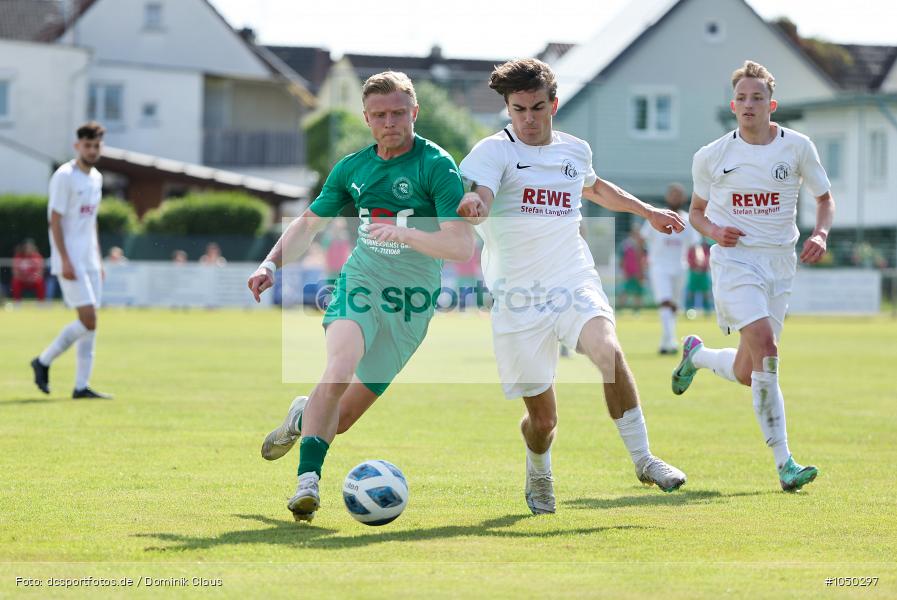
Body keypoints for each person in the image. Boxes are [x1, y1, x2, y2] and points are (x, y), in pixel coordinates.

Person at [454, 58, 687, 514]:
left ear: (553, 104)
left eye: (537, 107)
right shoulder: (491, 152)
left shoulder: (574, 150)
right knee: (543, 421)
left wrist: (648, 212)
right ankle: (539, 473)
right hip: (518, 296)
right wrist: (474, 204)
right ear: (508, 108)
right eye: (518, 109)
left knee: (609, 351)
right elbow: (481, 193)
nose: (529, 118)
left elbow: (596, 189)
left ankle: (644, 459)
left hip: (571, 278)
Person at [248, 71, 473, 522]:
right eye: (380, 115)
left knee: (340, 419)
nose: (390, 122)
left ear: (415, 112)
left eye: (398, 113)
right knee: (338, 368)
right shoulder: (352, 168)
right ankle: (306, 483)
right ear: (367, 119)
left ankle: (301, 418)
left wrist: (404, 234)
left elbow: (461, 246)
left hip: (411, 304)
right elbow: (307, 224)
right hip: (362, 284)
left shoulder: (437, 165)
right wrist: (271, 262)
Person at [672, 60, 835, 492]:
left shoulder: (797, 148)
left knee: (750, 371)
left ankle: (699, 356)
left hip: (780, 264)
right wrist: (714, 231)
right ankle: (785, 463)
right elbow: (696, 213)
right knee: (767, 346)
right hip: (735, 262)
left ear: (771, 104)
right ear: (733, 105)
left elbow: (824, 198)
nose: (749, 104)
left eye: (757, 97)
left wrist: (820, 232)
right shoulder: (712, 155)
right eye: (742, 98)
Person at [30, 122, 112, 399]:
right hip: (70, 260)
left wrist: (98, 260)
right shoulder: (64, 176)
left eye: (96, 145)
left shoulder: (97, 177)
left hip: (89, 260)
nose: (92, 150)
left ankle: (81, 386)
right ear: (77, 146)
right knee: (88, 320)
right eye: (87, 145)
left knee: (92, 325)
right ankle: (43, 361)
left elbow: (91, 222)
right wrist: (63, 259)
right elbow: (54, 220)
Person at [641, 183, 698, 353]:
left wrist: (700, 258)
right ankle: (672, 341)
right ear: (667, 196)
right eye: (673, 194)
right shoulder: (656, 216)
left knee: (673, 306)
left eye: (678, 194)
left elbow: (695, 244)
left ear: (683, 198)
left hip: (680, 267)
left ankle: (665, 342)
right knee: (665, 302)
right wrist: (641, 261)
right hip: (658, 266)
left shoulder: (688, 220)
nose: (675, 197)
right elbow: (642, 239)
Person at [618, 223, 646, 313]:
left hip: (638, 273)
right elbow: (622, 260)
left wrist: (642, 271)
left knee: (638, 293)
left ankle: (637, 310)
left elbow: (644, 259)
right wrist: (624, 272)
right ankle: (619, 308)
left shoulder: (642, 245)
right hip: (629, 273)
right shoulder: (626, 245)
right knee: (625, 291)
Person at [685, 239, 713, 316]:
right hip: (693, 272)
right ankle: (688, 309)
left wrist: (703, 267)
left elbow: (708, 260)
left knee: (706, 293)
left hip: (704, 273)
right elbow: (689, 259)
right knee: (691, 292)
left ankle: (707, 311)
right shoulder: (692, 248)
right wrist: (695, 267)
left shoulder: (707, 248)